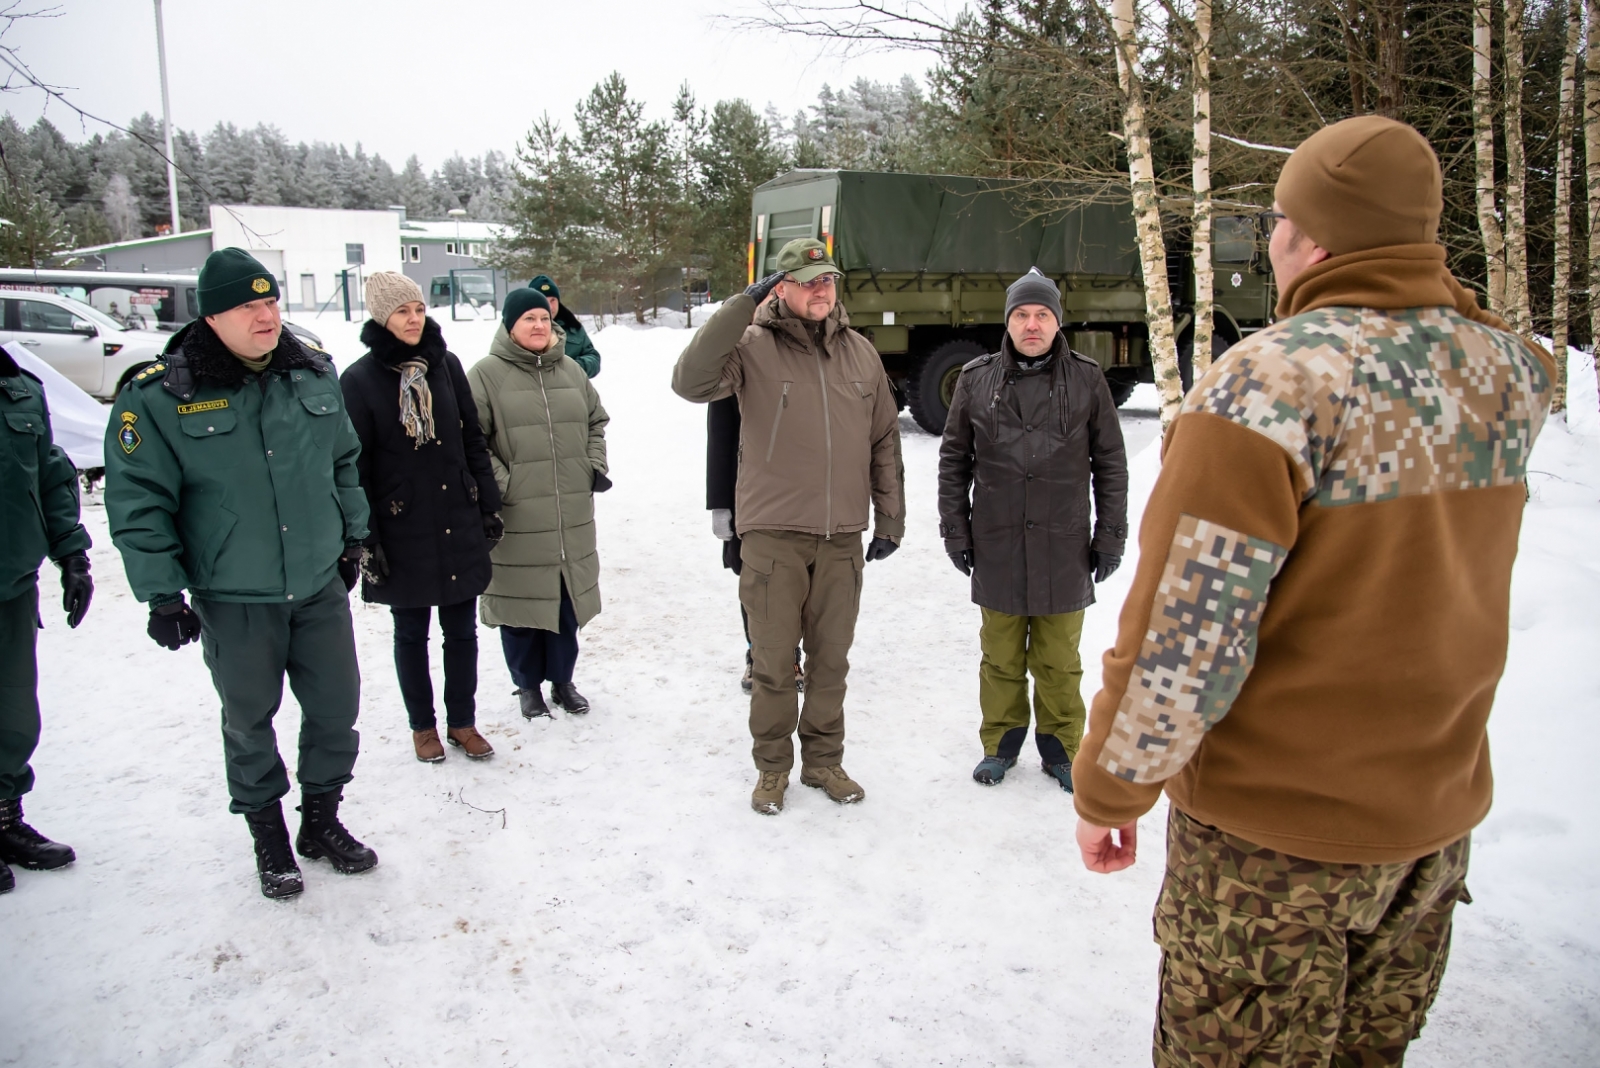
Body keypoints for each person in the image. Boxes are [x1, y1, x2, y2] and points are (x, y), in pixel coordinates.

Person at [1071, 116, 1556, 1065]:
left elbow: (1183, 640)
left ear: (1317, 238)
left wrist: (1110, 790)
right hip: (1430, 832)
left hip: (1274, 848)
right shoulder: (1507, 369)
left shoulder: (1269, 387)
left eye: (1279, 221)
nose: (1274, 242)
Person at [105, 247, 377, 901]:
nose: (267, 316)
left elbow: (344, 461)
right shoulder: (164, 395)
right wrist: (161, 591)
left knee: (336, 712)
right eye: (249, 305)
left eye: (272, 301)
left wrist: (353, 540)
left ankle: (320, 822)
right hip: (235, 595)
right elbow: (140, 500)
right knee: (250, 720)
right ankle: (269, 837)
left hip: (316, 585)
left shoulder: (309, 375)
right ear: (214, 316)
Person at [672, 237, 906, 815]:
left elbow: (883, 439)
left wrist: (891, 518)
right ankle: (772, 768)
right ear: (781, 288)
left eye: (828, 279)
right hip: (773, 536)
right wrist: (739, 308)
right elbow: (689, 382)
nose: (821, 289)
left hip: (841, 537)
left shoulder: (860, 353)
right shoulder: (750, 347)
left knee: (831, 662)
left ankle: (824, 762)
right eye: (807, 281)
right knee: (775, 666)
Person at [938, 268, 1127, 791]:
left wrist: (1110, 534)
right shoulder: (977, 379)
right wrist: (955, 530)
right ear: (1008, 321)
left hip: (1063, 545)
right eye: (1021, 314)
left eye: (1042, 314)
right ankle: (999, 744)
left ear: (1057, 321)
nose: (1032, 324)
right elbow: (954, 460)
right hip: (996, 542)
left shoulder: (1087, 379)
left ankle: (1063, 749)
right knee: (999, 656)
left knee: (1059, 660)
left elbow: (1110, 462)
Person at [339, 272, 503, 764]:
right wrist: (368, 537)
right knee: (411, 633)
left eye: (417, 309)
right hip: (401, 526)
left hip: (456, 513)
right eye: (401, 311)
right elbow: (356, 465)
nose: (413, 319)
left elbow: (472, 438)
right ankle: (423, 727)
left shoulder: (446, 366)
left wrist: (488, 503)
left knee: (462, 630)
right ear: (380, 317)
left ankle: (462, 722)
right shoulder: (359, 379)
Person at [468, 288, 609, 720]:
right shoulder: (485, 375)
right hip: (518, 513)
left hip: (570, 511)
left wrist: (592, 465)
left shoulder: (571, 371)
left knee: (565, 602)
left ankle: (563, 681)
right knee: (521, 601)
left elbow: (596, 422)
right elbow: (470, 440)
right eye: (527, 319)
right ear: (510, 325)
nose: (538, 326)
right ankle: (527, 685)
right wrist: (505, 485)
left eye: (544, 319)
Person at [0, 345, 93, 894]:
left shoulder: (19, 387)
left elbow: (50, 475)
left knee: (14, 712)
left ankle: (6, 819)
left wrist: (72, 556)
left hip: (12, 581)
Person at [706, 397, 802, 696]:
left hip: (799, 490)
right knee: (755, 578)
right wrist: (720, 503)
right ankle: (756, 655)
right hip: (746, 494)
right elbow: (720, 435)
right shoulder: (735, 358)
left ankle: (791, 656)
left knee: (798, 577)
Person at [528, 275, 601, 378]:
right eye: (543, 300)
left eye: (553, 300)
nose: (550, 306)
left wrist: (573, 368)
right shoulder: (519, 328)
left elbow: (593, 358)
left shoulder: (573, 326)